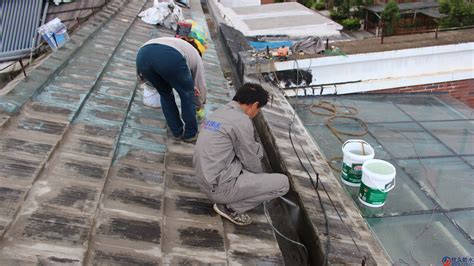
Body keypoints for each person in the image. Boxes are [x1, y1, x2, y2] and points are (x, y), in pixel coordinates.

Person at [193, 83, 289, 225]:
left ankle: (230, 196)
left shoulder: (220, 112)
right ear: (254, 105)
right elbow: (250, 159)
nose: (257, 113)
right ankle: (230, 208)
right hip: (218, 188)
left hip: (205, 179)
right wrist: (260, 180)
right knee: (283, 183)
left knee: (256, 149)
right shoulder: (242, 121)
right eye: (259, 109)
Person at [136, 36, 206, 143]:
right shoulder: (196, 57)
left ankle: (176, 132)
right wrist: (200, 104)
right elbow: (200, 86)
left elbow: (168, 74)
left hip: (142, 56)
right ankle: (190, 134)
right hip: (170, 58)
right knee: (187, 95)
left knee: (165, 94)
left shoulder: (177, 44)